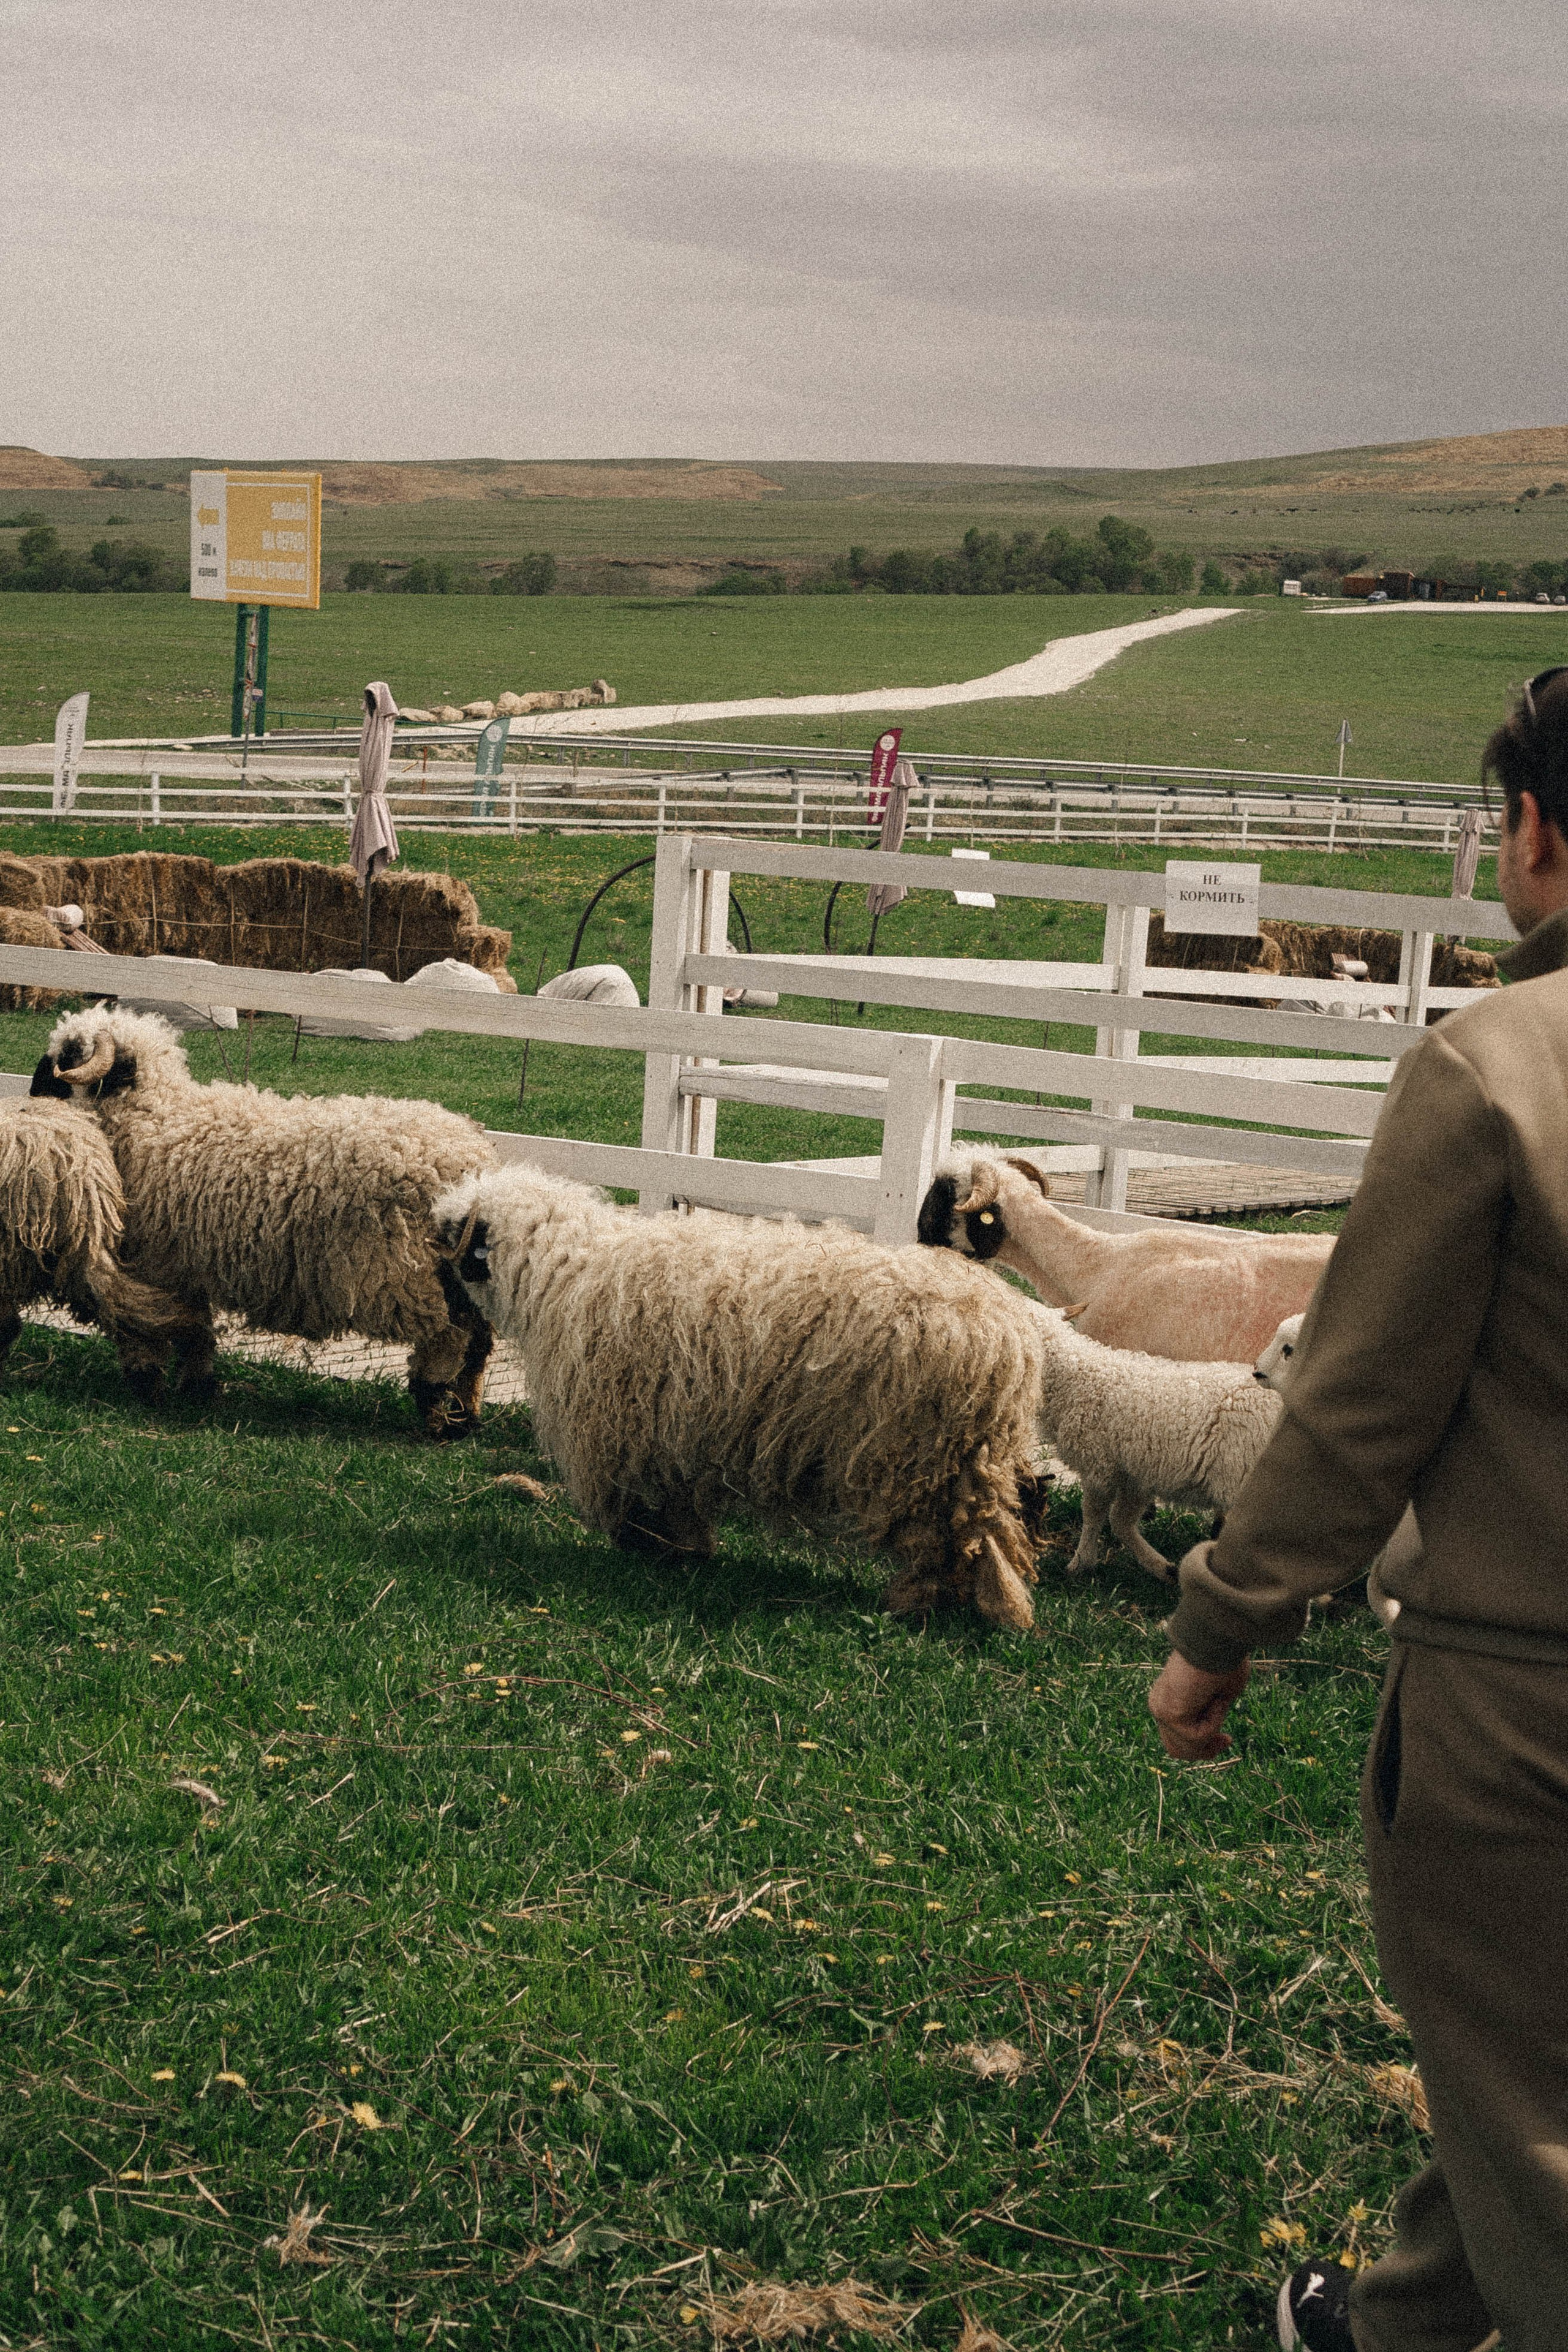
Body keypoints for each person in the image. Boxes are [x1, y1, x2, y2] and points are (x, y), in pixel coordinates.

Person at [1147, 667, 1568, 2352]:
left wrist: (1221, 1625)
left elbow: (1360, 1409)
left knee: (1528, 2099)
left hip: (1523, 1700)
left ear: (1534, 829)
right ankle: (1388, 2329)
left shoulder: (1498, 1070)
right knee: (1521, 2054)